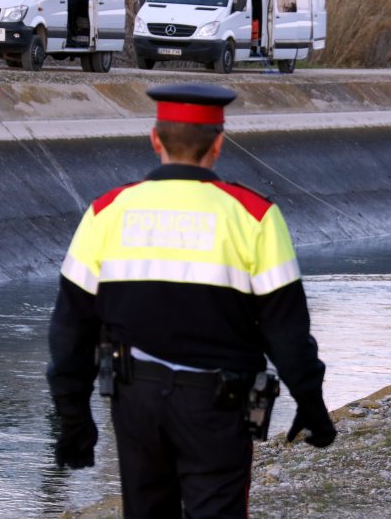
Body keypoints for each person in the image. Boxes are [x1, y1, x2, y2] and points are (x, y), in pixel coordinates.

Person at [46, 83, 336, 518]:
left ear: (155, 138)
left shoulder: (105, 212)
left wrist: (73, 418)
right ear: (217, 145)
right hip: (219, 405)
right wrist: (311, 404)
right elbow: (286, 331)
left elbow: (70, 329)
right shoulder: (254, 216)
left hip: (134, 398)